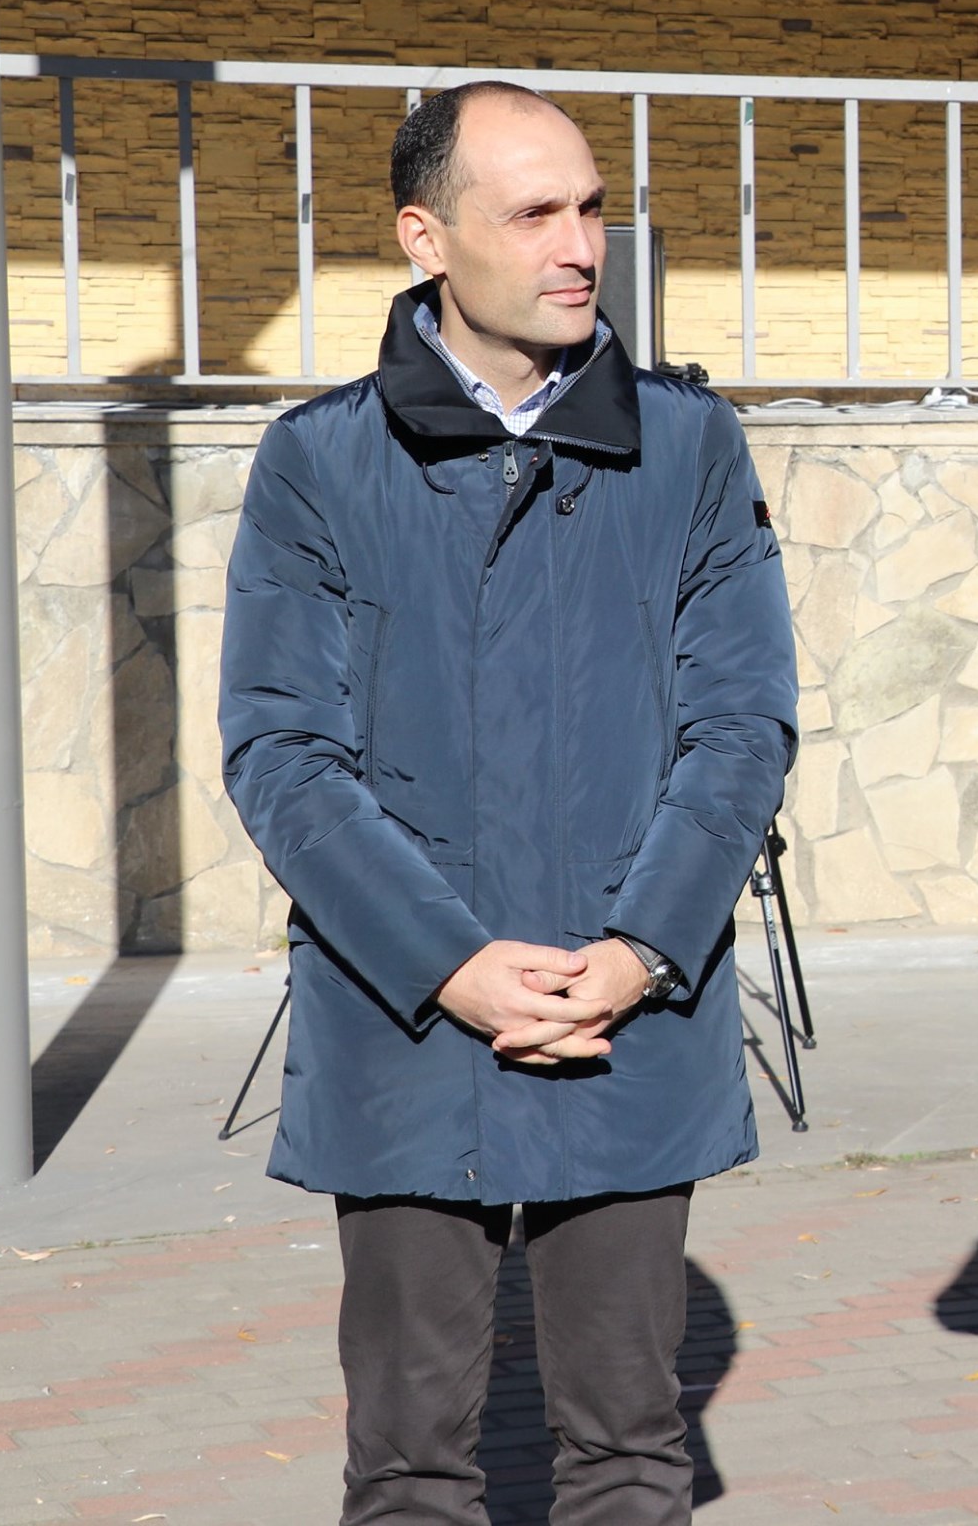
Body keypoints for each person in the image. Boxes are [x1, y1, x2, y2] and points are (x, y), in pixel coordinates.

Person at [218, 81, 796, 1525]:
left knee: (631, 1456)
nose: (581, 245)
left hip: (628, 1018)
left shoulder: (689, 443)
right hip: (406, 1027)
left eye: (592, 208)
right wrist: (452, 965)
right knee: (409, 1467)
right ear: (426, 237)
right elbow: (282, 751)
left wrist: (639, 951)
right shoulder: (319, 459)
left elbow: (741, 728)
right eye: (535, 212)